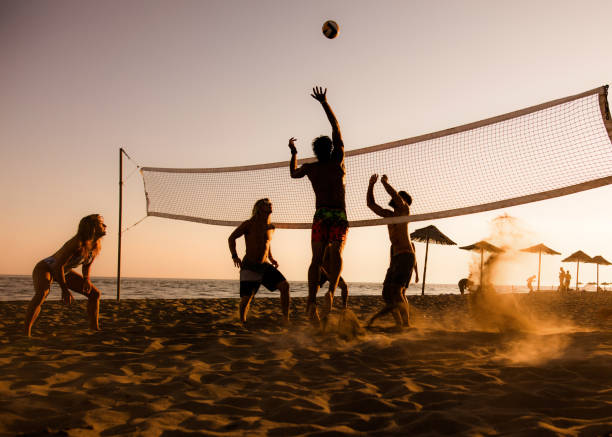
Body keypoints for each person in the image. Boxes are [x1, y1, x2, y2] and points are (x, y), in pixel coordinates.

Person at [288, 86, 347, 323]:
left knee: (315, 260)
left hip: (320, 214)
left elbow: (293, 173)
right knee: (336, 251)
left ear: (315, 151)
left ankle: (312, 300)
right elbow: (336, 128)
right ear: (331, 148)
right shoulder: (337, 160)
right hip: (338, 215)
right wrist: (324, 103)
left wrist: (293, 152)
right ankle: (331, 291)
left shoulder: (311, 168)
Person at [25, 214, 107, 337]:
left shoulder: (96, 244)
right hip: (46, 268)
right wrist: (64, 289)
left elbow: (87, 265)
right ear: (92, 227)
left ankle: (94, 329)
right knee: (42, 293)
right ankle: (26, 333)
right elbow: (58, 266)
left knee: (95, 294)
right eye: (101, 224)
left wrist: (86, 279)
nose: (105, 226)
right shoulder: (77, 243)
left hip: (64, 271)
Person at [228, 198, 290, 325]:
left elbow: (267, 244)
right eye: (266, 204)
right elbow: (231, 238)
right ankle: (242, 322)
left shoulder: (271, 227)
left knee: (285, 286)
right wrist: (234, 256)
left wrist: (271, 258)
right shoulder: (249, 224)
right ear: (259, 208)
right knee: (247, 298)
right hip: (250, 265)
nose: (270, 205)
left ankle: (286, 319)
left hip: (264, 265)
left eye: (270, 203)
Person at [365, 174, 415, 329]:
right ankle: (399, 322)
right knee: (387, 294)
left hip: (406, 255)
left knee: (397, 291)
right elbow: (371, 204)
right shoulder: (389, 215)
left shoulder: (404, 210)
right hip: (395, 257)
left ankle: (406, 324)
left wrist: (384, 182)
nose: (396, 198)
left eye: (399, 197)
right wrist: (371, 184)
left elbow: (395, 196)